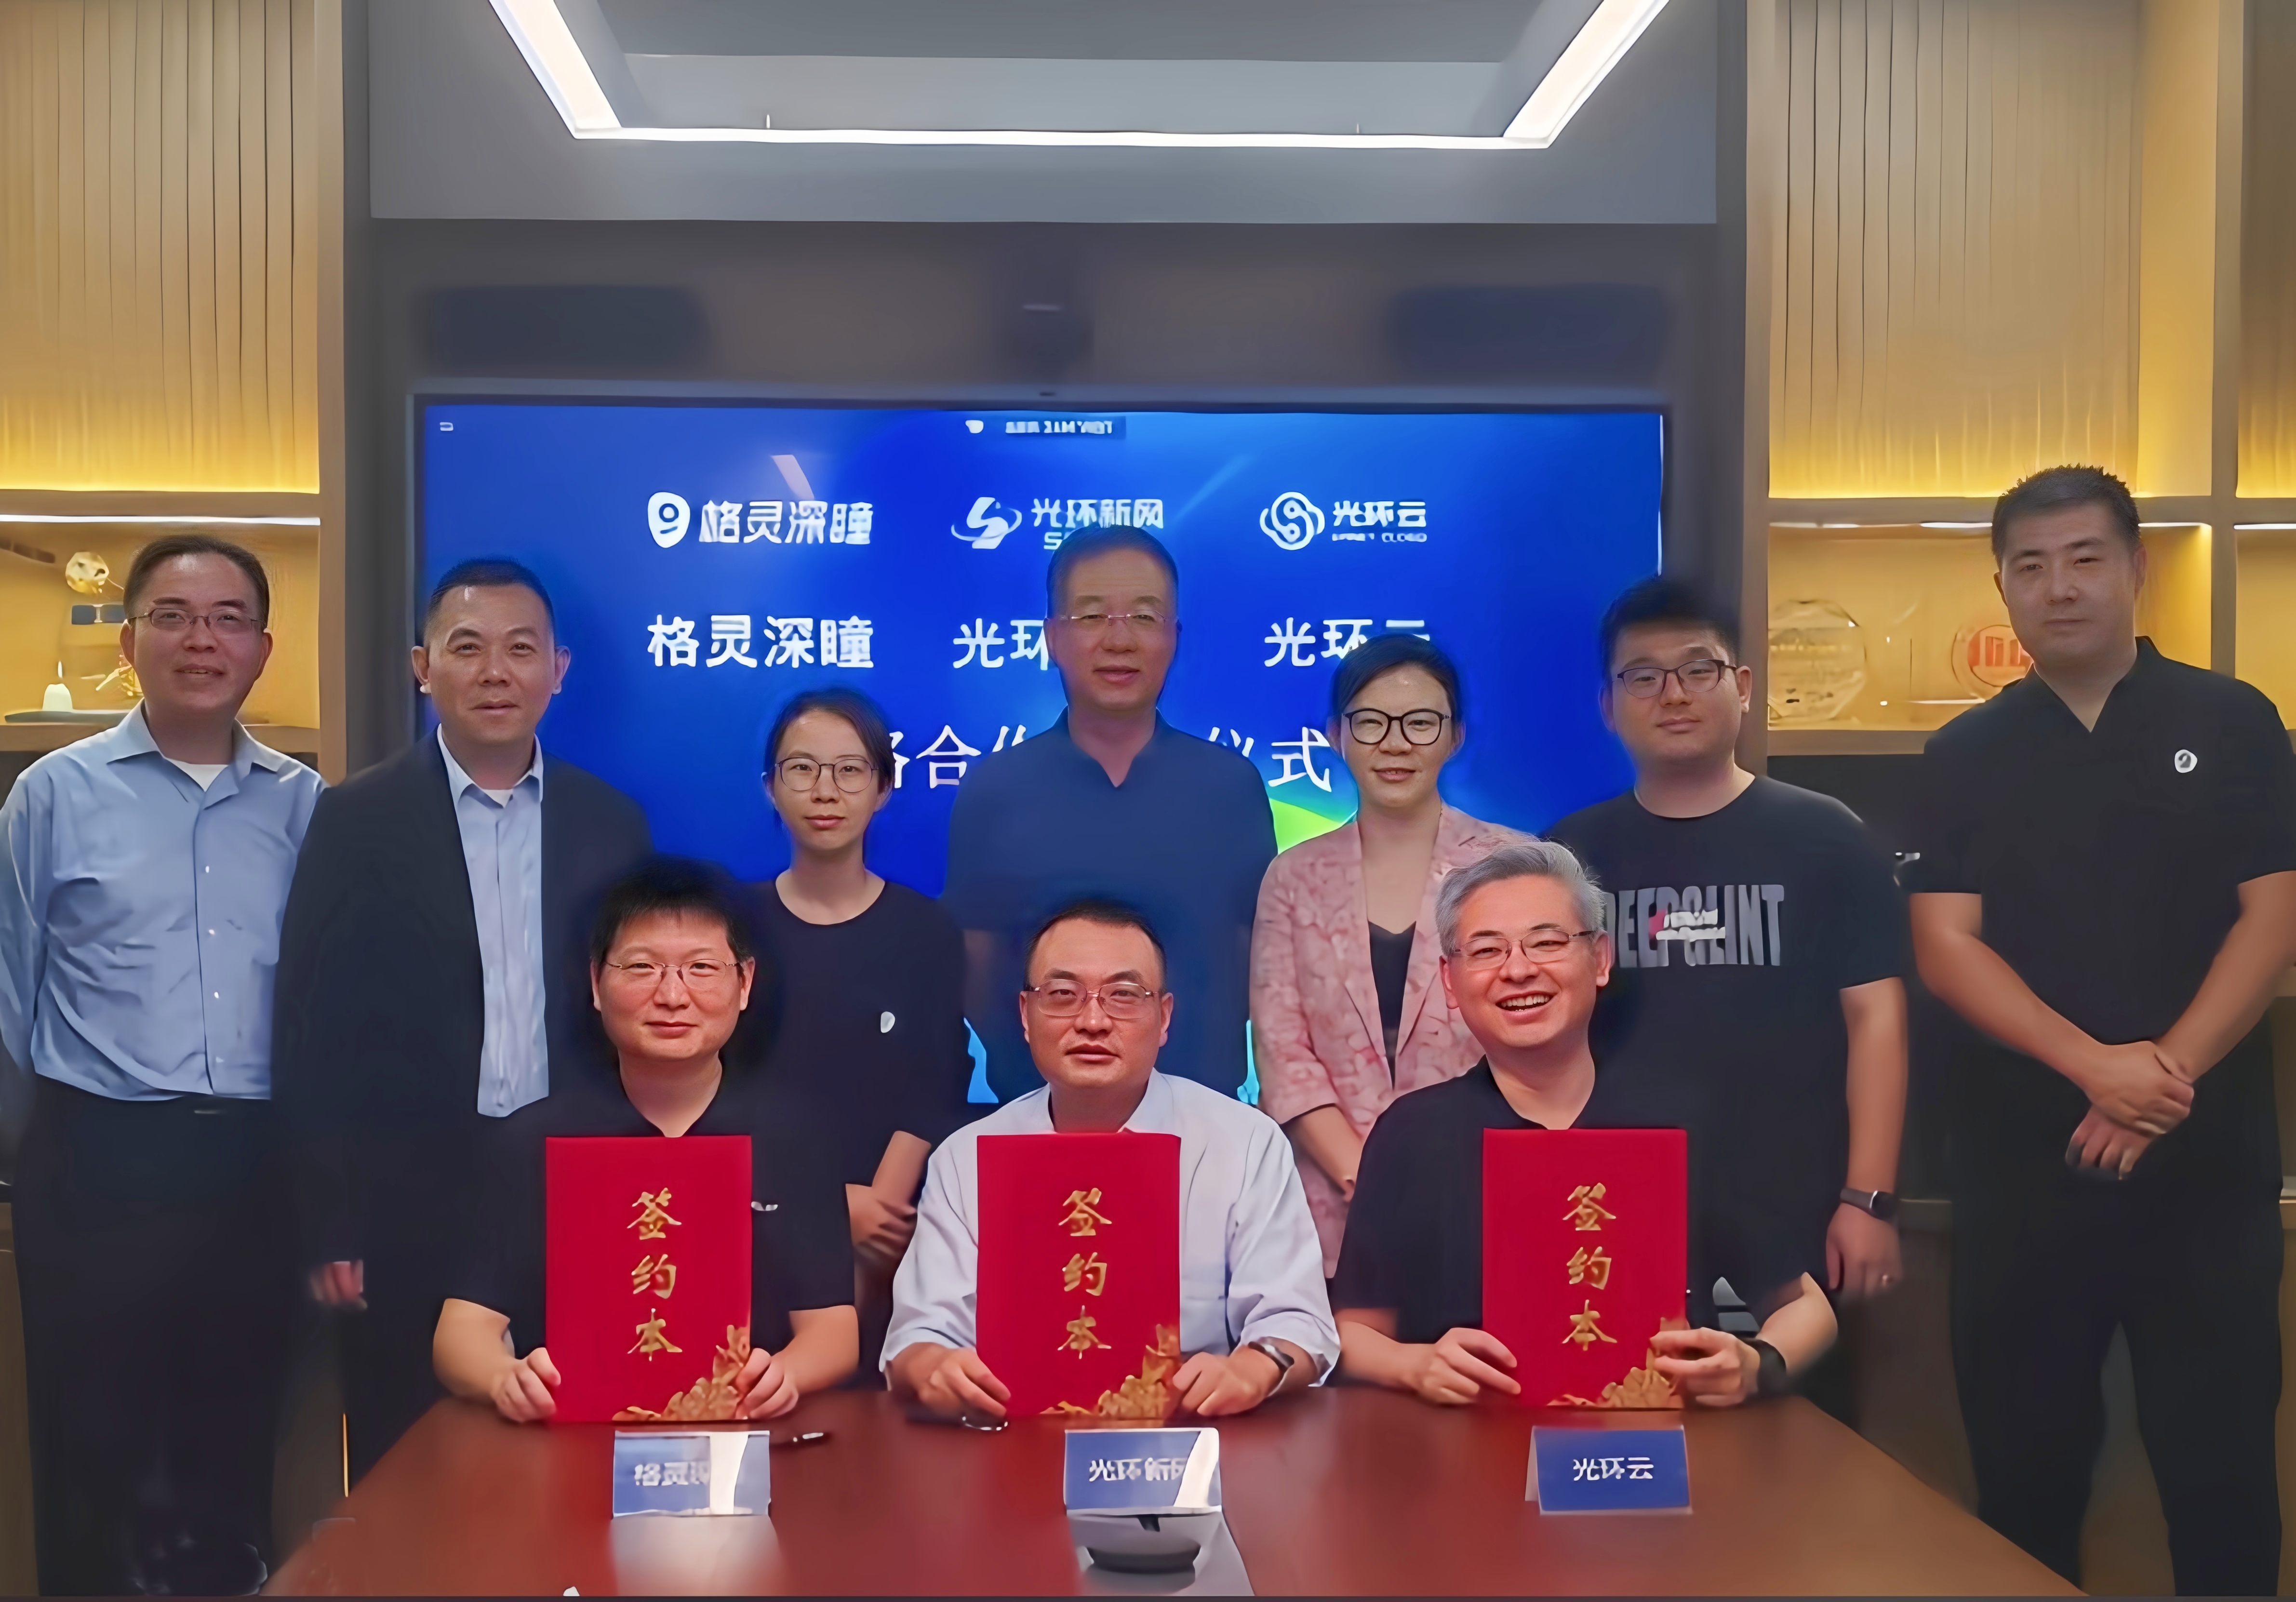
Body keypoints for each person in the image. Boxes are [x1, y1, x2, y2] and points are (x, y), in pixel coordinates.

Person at [1906, 466, 2296, 1595]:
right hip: (2022, 1169)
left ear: (2135, 568)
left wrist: (2158, 1081)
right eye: (2029, 567)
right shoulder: (1962, 753)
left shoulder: (2234, 720)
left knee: (2223, 1473)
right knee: (2022, 1474)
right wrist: (2093, 1068)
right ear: (2001, 587)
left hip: (2205, 1164)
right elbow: (1945, 947)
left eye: (2084, 559)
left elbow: (2274, 915)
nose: (2058, 587)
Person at [273, 559, 652, 1480]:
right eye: (467, 647)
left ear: (557, 669)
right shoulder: (356, 817)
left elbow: (639, 1012)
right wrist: (333, 1221)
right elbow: (313, 1027)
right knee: (406, 1454)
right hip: (405, 1192)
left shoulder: (612, 822)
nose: (495, 671)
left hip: (573, 1179)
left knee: (572, 1441)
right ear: (422, 666)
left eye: (521, 649)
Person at [0, 536, 324, 1594]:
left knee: (234, 1447)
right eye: (174, 617)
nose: (202, 641)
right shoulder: (53, 794)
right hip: (99, 1160)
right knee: (89, 1452)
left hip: (258, 1170)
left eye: (229, 619)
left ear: (264, 648)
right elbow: (9, 990)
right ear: (129, 640)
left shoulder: (307, 804)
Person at [1334, 841, 1837, 1407]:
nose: (1518, 970)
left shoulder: (1688, 1120)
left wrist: (1757, 1364)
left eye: (1547, 943)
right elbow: (1351, 1333)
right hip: (1463, 1443)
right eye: (1487, 950)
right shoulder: (1412, 1135)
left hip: (1651, 1447)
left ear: (1599, 959)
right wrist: (1413, 1365)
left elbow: (1807, 1307)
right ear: (1450, 982)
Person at [1545, 578, 1909, 1341]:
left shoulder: (1829, 836)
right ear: (1608, 705)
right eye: (1643, 676)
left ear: (1742, 687)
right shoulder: (1570, 854)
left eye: (1698, 669)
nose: (1673, 694)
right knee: (1626, 1404)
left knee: (1800, 1406)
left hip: (1803, 1205)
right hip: (1617, 1199)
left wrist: (1868, 1199)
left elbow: (1877, 1018)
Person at [436, 859, 857, 1421]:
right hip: (574, 1436)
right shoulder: (532, 1140)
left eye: (701, 968)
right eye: (641, 967)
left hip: (750, 1433)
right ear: (596, 983)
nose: (672, 996)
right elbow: (462, 1331)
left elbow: (834, 1330)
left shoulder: (795, 1140)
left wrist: (786, 1376)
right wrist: (502, 1378)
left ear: (745, 984)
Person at [886, 900, 1337, 1420]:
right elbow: (918, 1336)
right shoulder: (966, 1157)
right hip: (1010, 1434)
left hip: (1189, 1434)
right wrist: (931, 1368)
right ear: (1025, 1016)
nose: (1093, 1021)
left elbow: (1298, 1321)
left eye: (1124, 996)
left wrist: (1252, 1370)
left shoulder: (1243, 1142)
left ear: (1164, 1018)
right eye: (1063, 995)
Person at [943, 526, 1277, 1100]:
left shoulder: (1230, 787)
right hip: (1040, 1111)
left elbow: (1258, 959)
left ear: (1174, 637)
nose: (1119, 641)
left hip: (1201, 1113)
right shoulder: (996, 789)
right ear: (1052, 638)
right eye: (1092, 616)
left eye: (1144, 617)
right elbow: (977, 963)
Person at [1252, 634, 1522, 1274]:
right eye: (1371, 722)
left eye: (1420, 723)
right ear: (1335, 735)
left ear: (1455, 736)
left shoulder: (1517, 865)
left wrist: (1442, 1184)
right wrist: (1367, 1181)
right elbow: (1284, 1055)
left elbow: (1537, 1034)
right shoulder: (1293, 877)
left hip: (1488, 1194)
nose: (1395, 743)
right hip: (1332, 1210)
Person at [753, 687, 972, 1369]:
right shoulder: (731, 926)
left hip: (891, 1234)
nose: (826, 791)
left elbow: (937, 1081)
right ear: (770, 787)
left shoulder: (925, 931)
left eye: (850, 770)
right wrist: (824, 1208)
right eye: (802, 769)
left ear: (883, 789)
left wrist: (879, 1212)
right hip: (752, 1220)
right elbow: (716, 1091)